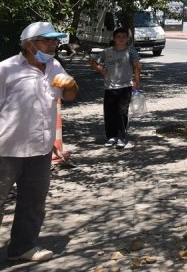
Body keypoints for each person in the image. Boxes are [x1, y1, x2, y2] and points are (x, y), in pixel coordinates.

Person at [0, 21, 79, 263]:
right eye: (47, 40)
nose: (53, 45)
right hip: (6, 149)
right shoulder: (6, 69)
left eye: (55, 40)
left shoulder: (53, 65)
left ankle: (22, 248)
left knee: (33, 203)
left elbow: (70, 95)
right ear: (29, 45)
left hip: (41, 149)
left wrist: (71, 85)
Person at [90, 27, 140, 149]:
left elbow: (137, 67)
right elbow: (92, 61)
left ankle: (121, 137)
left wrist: (136, 81)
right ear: (114, 38)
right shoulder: (107, 52)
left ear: (128, 39)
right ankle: (111, 137)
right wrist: (101, 70)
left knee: (122, 112)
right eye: (118, 37)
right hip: (109, 88)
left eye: (124, 37)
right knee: (109, 113)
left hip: (125, 87)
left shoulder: (131, 52)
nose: (121, 39)